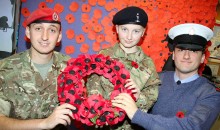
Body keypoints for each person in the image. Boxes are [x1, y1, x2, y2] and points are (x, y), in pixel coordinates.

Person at [112, 23, 220, 130]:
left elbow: (191, 126)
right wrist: (139, 97)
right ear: (173, 55)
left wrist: (136, 114)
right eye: (181, 50)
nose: (186, 56)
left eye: (194, 51)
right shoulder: (156, 79)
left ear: (202, 58)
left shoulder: (210, 94)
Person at [0, 8, 76, 130]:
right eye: (38, 29)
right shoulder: (5, 69)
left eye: (52, 30)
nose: (44, 37)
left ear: (59, 36)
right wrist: (44, 123)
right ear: (28, 32)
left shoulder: (72, 67)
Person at [86, 6, 160, 130]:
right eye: (125, 29)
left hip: (132, 125)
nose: (129, 36)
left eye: (136, 31)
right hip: (104, 124)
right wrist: (101, 108)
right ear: (117, 29)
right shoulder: (104, 56)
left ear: (143, 32)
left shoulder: (148, 63)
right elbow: (92, 87)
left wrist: (139, 96)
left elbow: (152, 95)